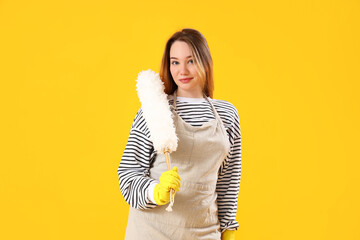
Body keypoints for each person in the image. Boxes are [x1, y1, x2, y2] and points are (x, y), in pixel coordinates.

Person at [117, 28, 241, 240]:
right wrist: (155, 191)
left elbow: (228, 181)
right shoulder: (154, 109)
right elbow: (128, 174)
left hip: (204, 232)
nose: (182, 70)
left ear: (205, 62)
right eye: (175, 62)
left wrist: (228, 229)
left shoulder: (227, 114)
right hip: (151, 232)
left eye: (190, 61)